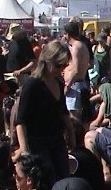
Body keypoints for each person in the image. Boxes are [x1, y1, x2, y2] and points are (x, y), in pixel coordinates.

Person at [13, 40, 74, 181]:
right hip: (37, 141)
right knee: (48, 178)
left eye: (65, 65)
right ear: (47, 61)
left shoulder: (59, 83)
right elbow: (20, 120)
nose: (61, 69)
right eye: (58, 65)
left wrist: (71, 133)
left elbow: (63, 112)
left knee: (64, 176)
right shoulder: (32, 84)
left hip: (57, 139)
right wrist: (24, 149)